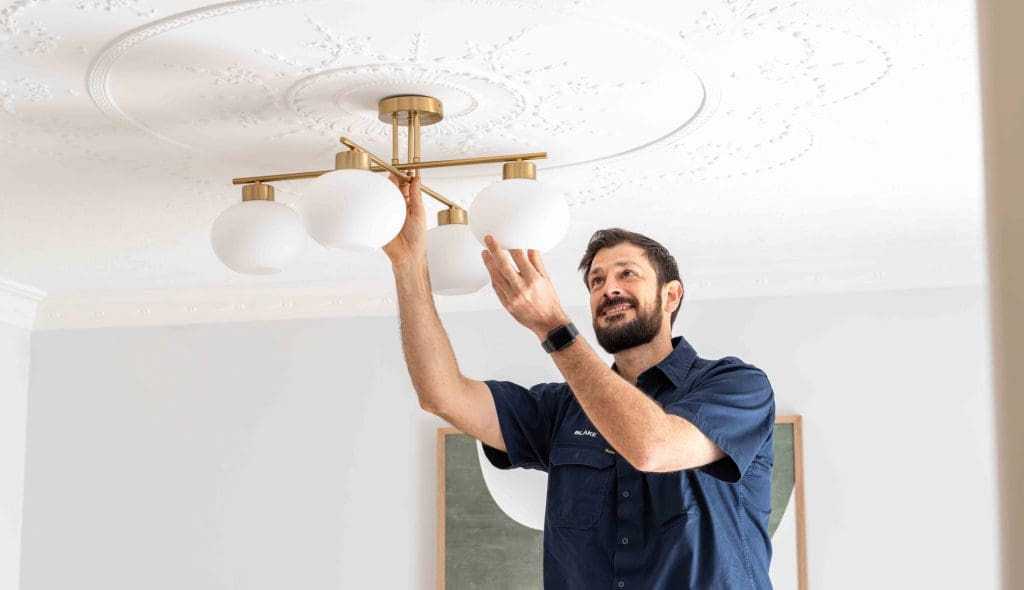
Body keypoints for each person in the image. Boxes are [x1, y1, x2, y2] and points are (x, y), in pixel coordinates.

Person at [385, 174, 776, 589]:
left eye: (627, 274)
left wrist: (553, 327)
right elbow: (442, 394)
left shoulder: (736, 386)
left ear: (671, 296)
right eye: (597, 281)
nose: (609, 289)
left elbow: (651, 447)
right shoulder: (560, 411)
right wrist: (408, 264)